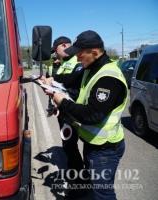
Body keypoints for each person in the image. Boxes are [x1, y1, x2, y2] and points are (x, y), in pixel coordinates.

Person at [42, 30, 128, 199]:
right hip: (93, 144)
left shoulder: (108, 78)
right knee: (93, 188)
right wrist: (53, 80)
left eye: (80, 56)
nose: (78, 60)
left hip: (106, 149)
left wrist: (62, 101)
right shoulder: (91, 68)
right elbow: (72, 78)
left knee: (103, 193)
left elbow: (91, 115)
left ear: (94, 53)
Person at [49, 36, 85, 199]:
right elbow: (62, 82)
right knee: (69, 148)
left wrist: (57, 92)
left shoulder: (77, 64)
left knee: (71, 149)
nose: (55, 55)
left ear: (64, 45)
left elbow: (77, 92)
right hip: (64, 112)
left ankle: (79, 187)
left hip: (72, 112)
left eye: (56, 51)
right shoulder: (63, 63)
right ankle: (78, 182)